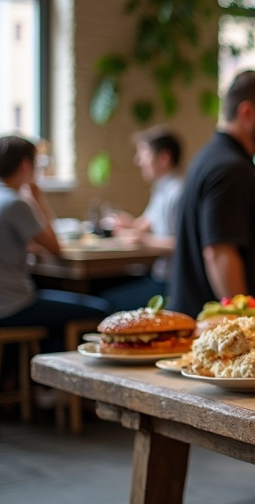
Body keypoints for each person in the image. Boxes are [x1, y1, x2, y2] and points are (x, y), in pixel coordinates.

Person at [168, 71, 255, 316]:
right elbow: (220, 253)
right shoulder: (230, 168)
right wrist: (244, 323)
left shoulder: (210, 156)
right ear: (247, 112)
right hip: (215, 334)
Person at [0, 135, 111, 353]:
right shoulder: (15, 202)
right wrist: (37, 197)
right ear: (25, 164)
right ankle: (55, 378)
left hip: (4, 302)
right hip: (12, 306)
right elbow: (55, 247)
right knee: (101, 308)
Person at [100, 126, 184, 311]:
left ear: (164, 158)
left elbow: (184, 243)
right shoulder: (161, 188)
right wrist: (128, 224)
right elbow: (145, 224)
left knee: (105, 303)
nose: (138, 161)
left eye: (144, 155)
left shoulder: (178, 192)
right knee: (101, 290)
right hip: (158, 276)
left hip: (171, 284)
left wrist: (144, 239)